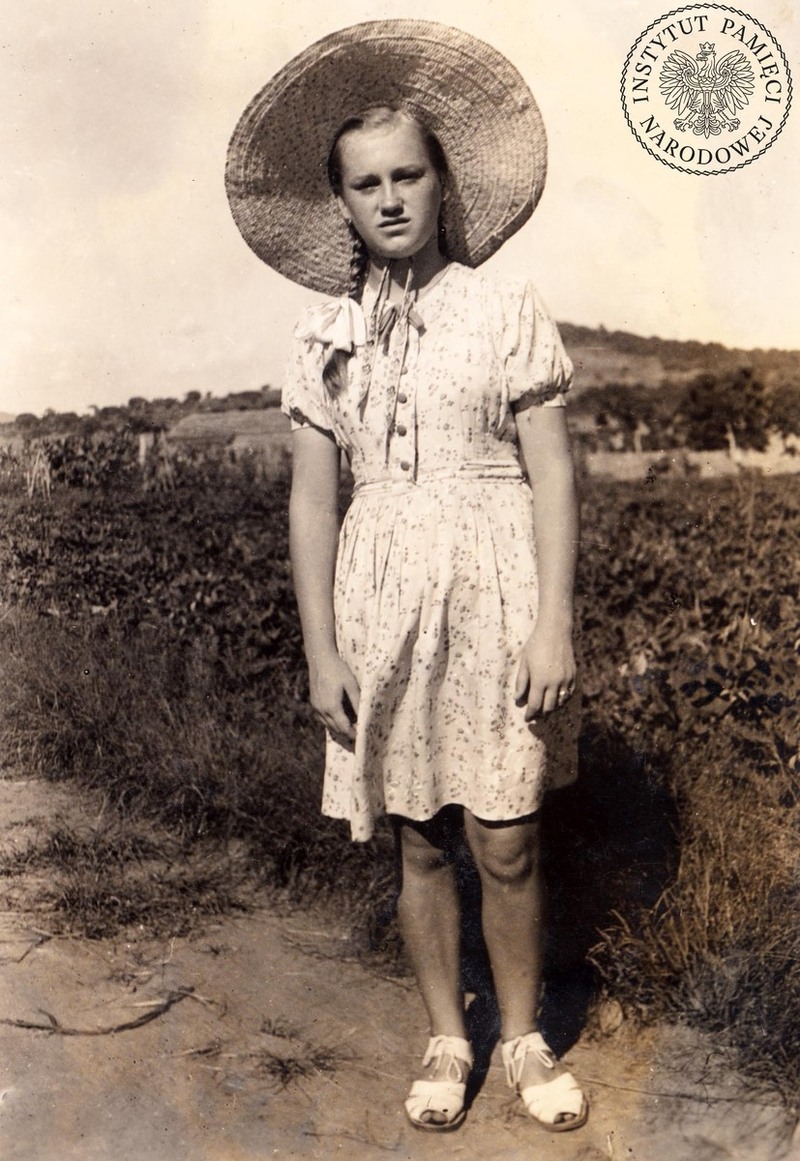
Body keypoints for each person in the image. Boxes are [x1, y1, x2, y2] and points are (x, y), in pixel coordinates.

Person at [226, 20, 587, 1134]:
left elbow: (552, 473)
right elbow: (311, 500)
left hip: (494, 582)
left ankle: (521, 1036)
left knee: (506, 832)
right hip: (378, 594)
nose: (388, 199)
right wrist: (320, 648)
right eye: (364, 183)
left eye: (407, 176)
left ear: (441, 183)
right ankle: (445, 1035)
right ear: (339, 201)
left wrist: (552, 621)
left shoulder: (503, 308)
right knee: (418, 832)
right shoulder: (321, 336)